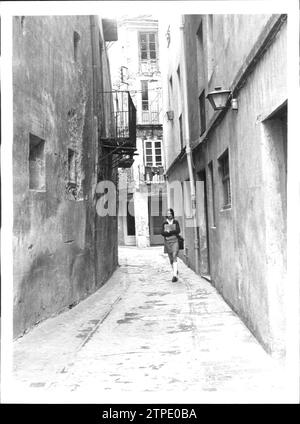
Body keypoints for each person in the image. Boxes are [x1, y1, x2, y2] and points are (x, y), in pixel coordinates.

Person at [161, 208, 181, 282]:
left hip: (175, 241)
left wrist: (169, 231)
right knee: (171, 259)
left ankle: (174, 276)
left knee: (174, 255)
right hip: (167, 242)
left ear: (172, 214)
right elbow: (162, 233)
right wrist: (171, 232)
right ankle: (175, 271)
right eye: (168, 214)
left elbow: (178, 231)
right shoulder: (164, 223)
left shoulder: (176, 222)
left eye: (170, 213)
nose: (169, 215)